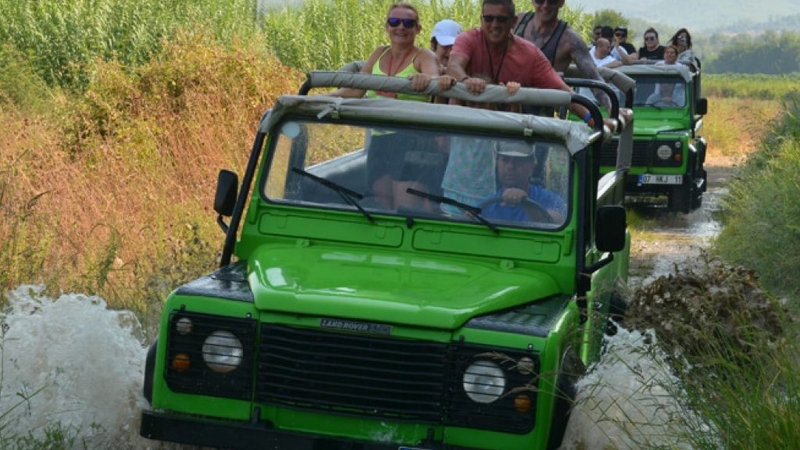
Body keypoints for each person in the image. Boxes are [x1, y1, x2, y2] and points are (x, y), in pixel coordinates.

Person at [326, 2, 454, 210]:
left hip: (412, 140)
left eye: (408, 23)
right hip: (380, 139)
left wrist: (424, 78)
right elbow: (357, 89)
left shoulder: (423, 56)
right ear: (386, 27)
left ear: (418, 29)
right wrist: (324, 97)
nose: (400, 27)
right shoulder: (379, 53)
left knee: (405, 208)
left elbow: (433, 79)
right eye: (394, 22)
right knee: (380, 204)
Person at [446, 0, 597, 126]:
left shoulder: (530, 54)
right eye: (489, 18)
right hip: (464, 129)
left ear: (513, 22)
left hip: (509, 133)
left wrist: (592, 119)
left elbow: (562, 90)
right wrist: (466, 80)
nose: (495, 24)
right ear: (481, 20)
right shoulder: (468, 39)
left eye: (501, 19)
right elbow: (453, 66)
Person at [512, 0, 613, 112]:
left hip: (542, 115)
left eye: (551, 1)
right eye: (540, 0)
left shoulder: (570, 39)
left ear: (561, 2)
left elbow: (593, 76)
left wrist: (611, 108)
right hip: (506, 103)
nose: (545, 5)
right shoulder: (516, 22)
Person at [441, 76, 521, 215]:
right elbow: (441, 110)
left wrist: (511, 94)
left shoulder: (493, 126)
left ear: (491, 104)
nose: (477, 108)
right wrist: (448, 82)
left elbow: (515, 124)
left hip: (483, 194)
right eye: (472, 103)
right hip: (452, 191)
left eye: (482, 103)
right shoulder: (456, 121)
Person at [480, 141, 566, 223]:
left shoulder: (550, 199)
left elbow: (555, 222)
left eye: (518, 160)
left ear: (532, 166)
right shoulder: (487, 205)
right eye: (505, 160)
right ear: (497, 164)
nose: (510, 166)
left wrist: (526, 203)